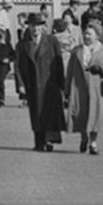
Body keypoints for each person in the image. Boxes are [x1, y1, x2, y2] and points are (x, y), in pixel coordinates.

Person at [17, 18, 66, 151]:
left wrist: (62, 84)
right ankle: (39, 141)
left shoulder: (51, 41)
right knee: (36, 113)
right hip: (32, 84)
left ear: (43, 27)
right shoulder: (23, 45)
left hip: (50, 83)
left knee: (50, 112)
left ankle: (49, 140)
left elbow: (59, 62)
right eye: (33, 26)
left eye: (38, 26)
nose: (35, 29)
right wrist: (21, 84)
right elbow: (18, 66)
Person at [66, 22, 103, 155]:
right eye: (85, 33)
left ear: (97, 36)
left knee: (95, 115)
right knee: (81, 112)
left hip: (97, 87)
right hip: (79, 86)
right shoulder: (77, 51)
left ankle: (93, 143)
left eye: (89, 34)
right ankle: (83, 138)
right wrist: (66, 90)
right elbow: (70, 70)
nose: (86, 36)